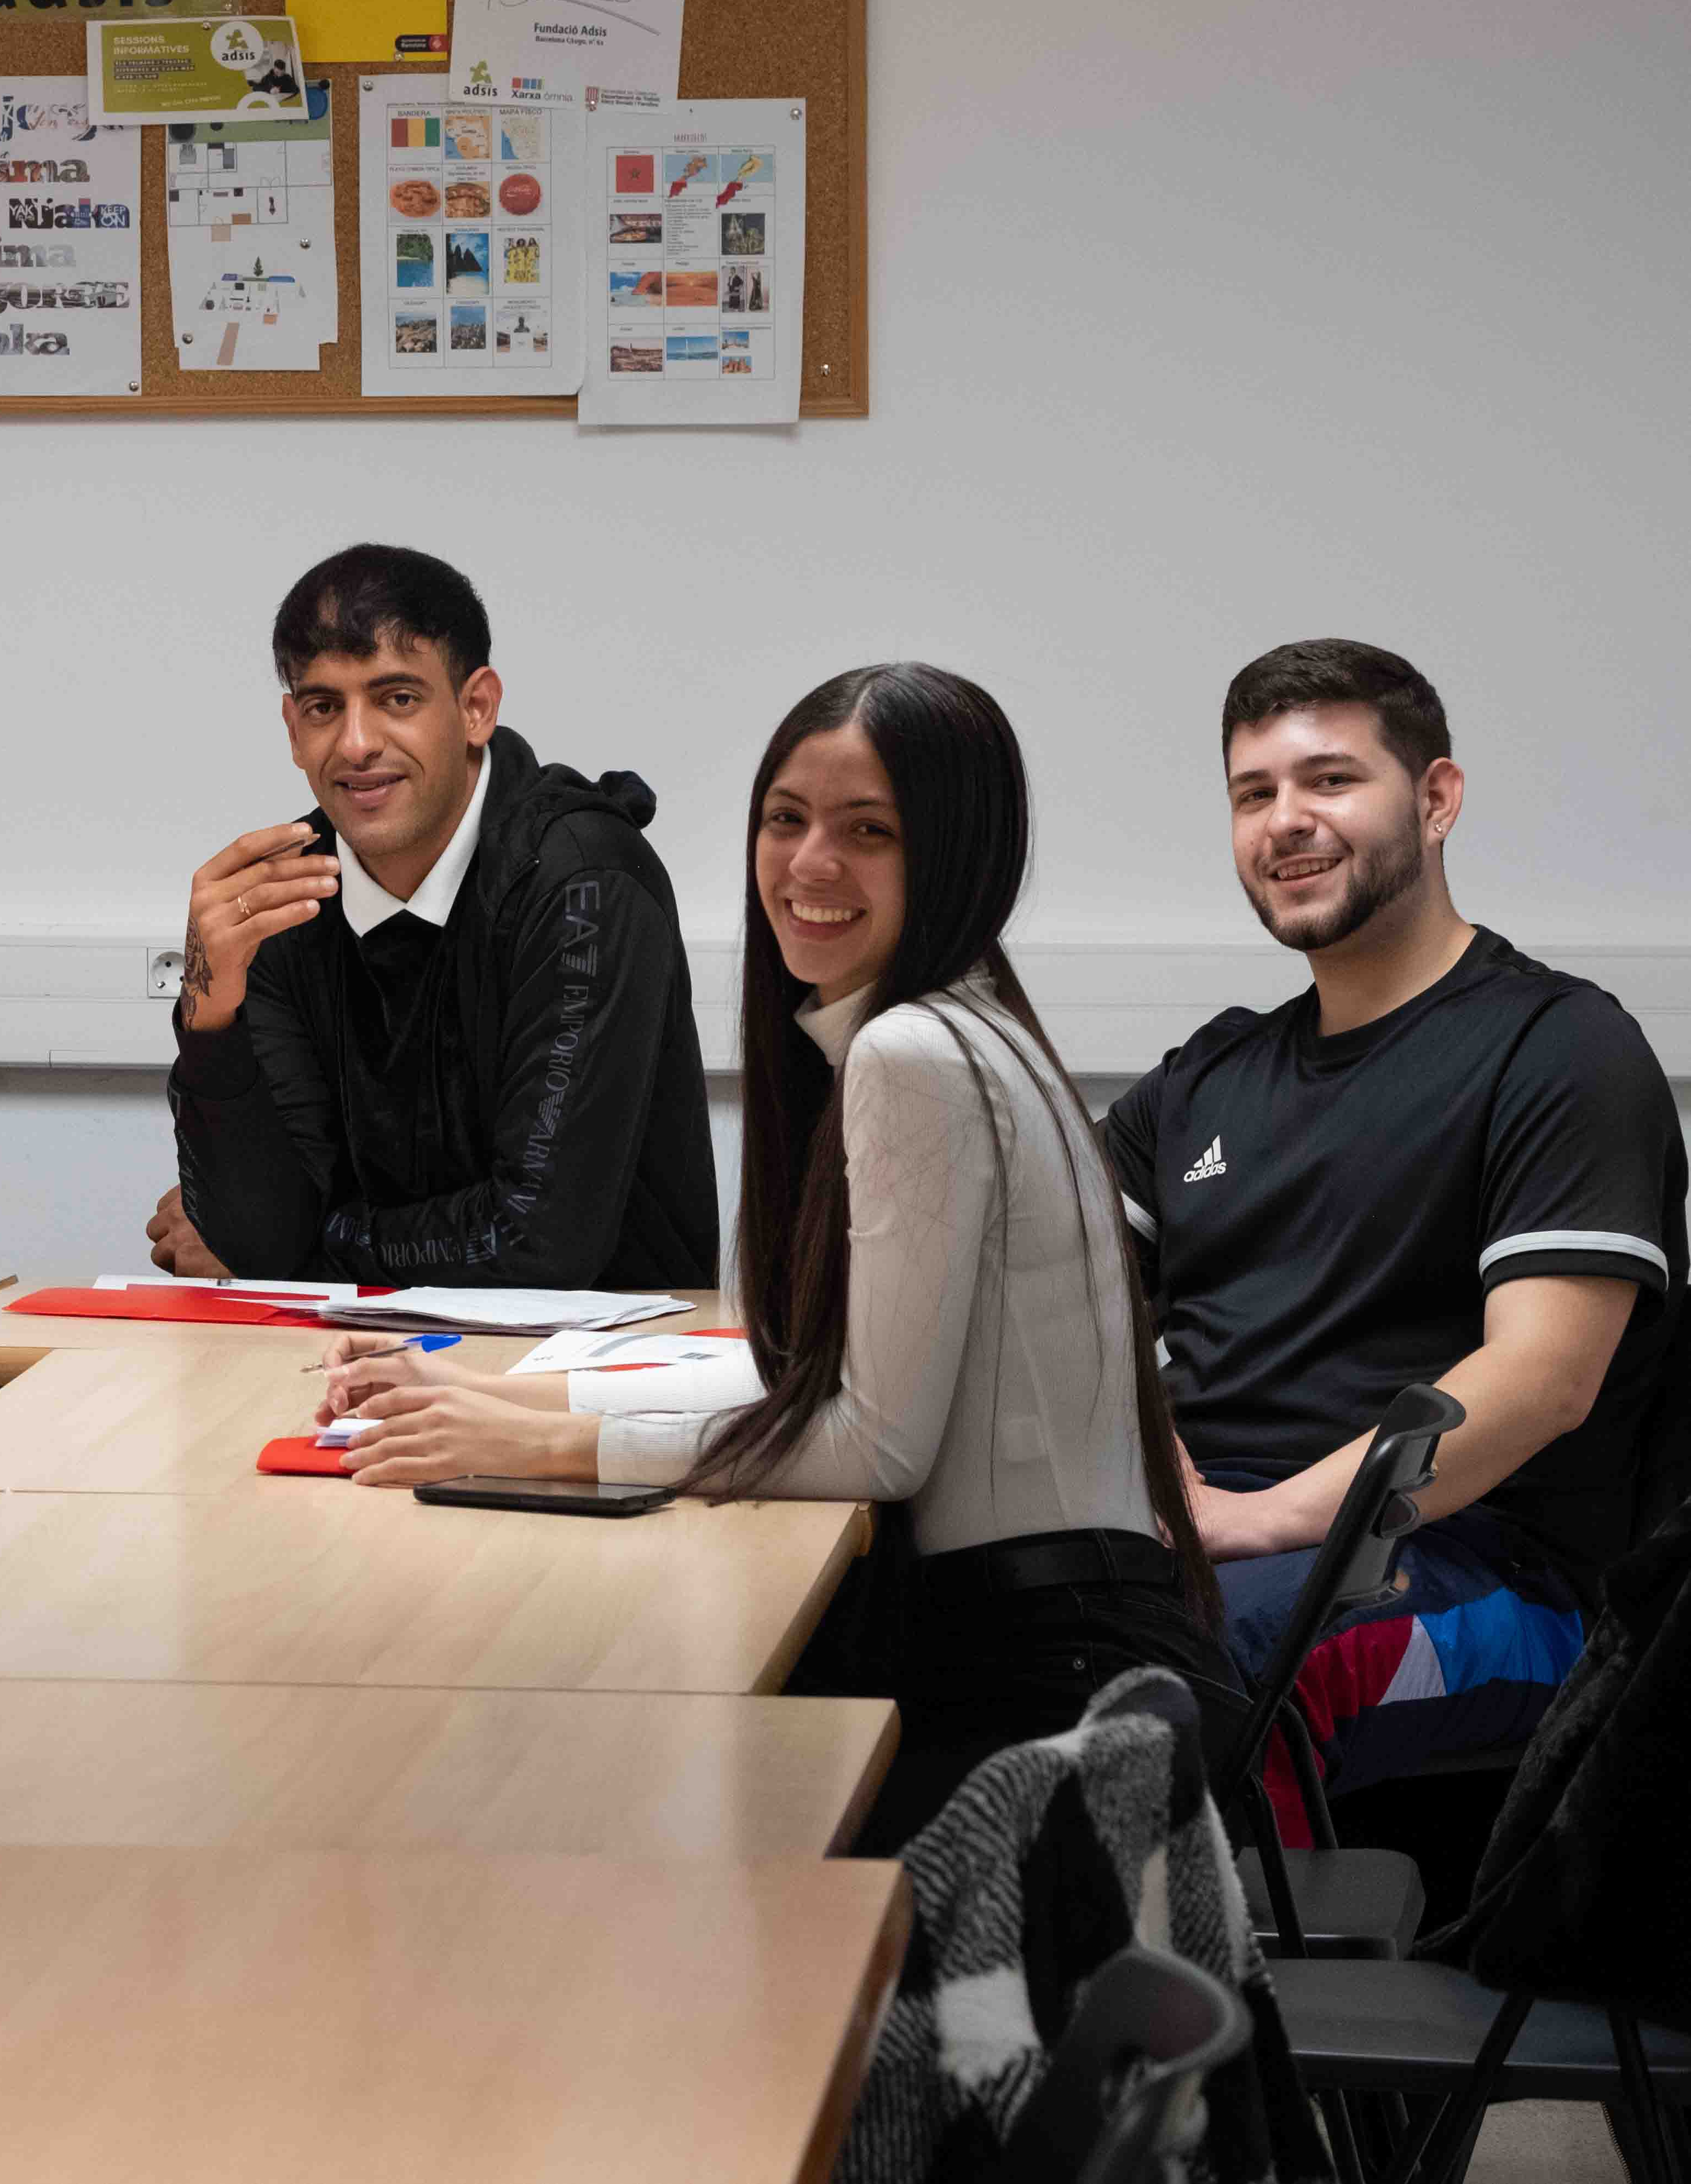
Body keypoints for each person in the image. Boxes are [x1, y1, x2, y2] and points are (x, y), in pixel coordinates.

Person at [320, 664, 1239, 1854]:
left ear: (958, 852)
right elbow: (802, 1376)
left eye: (870, 831)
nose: (809, 865)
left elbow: (876, 1443)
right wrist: (497, 1390)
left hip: (1047, 1693)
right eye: (785, 818)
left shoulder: (915, 1053)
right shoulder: (951, 1022)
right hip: (1072, 1653)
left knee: (584, 1812)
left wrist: (544, 1442)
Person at [1106, 640, 1675, 1814]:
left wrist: (1255, 1520)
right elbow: (1062, 1307)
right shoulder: (1203, 1077)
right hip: (1217, 1524)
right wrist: (1171, 1486)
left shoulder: (1560, 1048)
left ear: (1436, 798)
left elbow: (1542, 1378)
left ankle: (1222, 2000)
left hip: (1482, 1571)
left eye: (1329, 780)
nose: (1285, 821)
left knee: (1197, 1674)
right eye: (1252, 792)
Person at [153, 543, 718, 1290]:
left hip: (588, 1376)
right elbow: (260, 1235)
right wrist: (209, 1019)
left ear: (475, 707)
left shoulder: (583, 878)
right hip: (352, 1359)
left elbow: (538, 1243)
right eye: (324, 707)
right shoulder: (280, 898)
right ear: (294, 730)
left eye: (396, 698)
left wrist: (310, 1247)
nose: (356, 744)